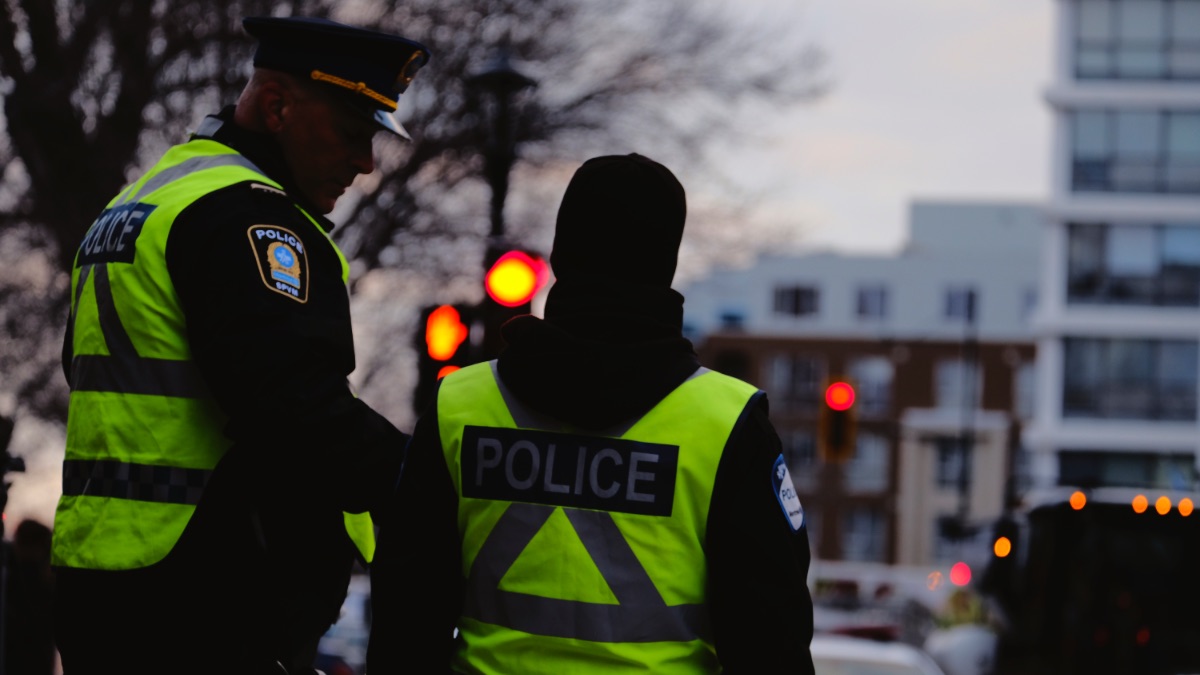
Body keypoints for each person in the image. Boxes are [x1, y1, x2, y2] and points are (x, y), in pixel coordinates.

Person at [51, 16, 429, 675]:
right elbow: (292, 405)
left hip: (101, 578)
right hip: (203, 599)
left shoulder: (142, 201)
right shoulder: (250, 218)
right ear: (277, 106)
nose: (365, 161)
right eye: (350, 132)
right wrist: (423, 479)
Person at [367, 154, 816, 673]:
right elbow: (770, 637)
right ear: (665, 265)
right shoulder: (728, 425)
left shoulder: (461, 407)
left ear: (561, 255)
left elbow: (405, 615)